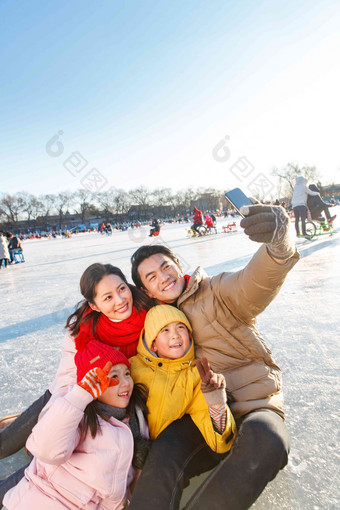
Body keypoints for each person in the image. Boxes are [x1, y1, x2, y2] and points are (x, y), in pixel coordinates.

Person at [129, 204, 299, 510]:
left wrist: (278, 241)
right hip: (199, 416)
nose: (163, 277)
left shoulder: (217, 291)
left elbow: (255, 281)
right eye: (152, 277)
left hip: (252, 406)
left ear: (177, 263)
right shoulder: (153, 326)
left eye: (165, 266)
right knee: (165, 451)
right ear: (147, 290)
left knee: (269, 440)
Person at [0, 263, 152, 503]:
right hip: (66, 396)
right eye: (108, 297)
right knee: (12, 443)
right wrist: (67, 409)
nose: (120, 300)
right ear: (94, 305)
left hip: (109, 404)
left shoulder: (147, 316)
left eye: (122, 289)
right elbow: (68, 378)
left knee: (52, 467)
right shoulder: (84, 331)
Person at [3, 341, 149, 509]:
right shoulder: (80, 417)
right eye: (114, 376)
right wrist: (80, 396)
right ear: (94, 385)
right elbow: (46, 450)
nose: (125, 383)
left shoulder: (133, 421)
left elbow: (117, 487)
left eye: (127, 373)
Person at [130, 305, 236, 452]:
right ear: (153, 344)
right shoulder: (131, 367)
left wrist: (216, 402)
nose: (175, 335)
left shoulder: (197, 377)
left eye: (180, 327)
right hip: (125, 451)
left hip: (160, 458)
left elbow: (221, 444)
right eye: (165, 330)